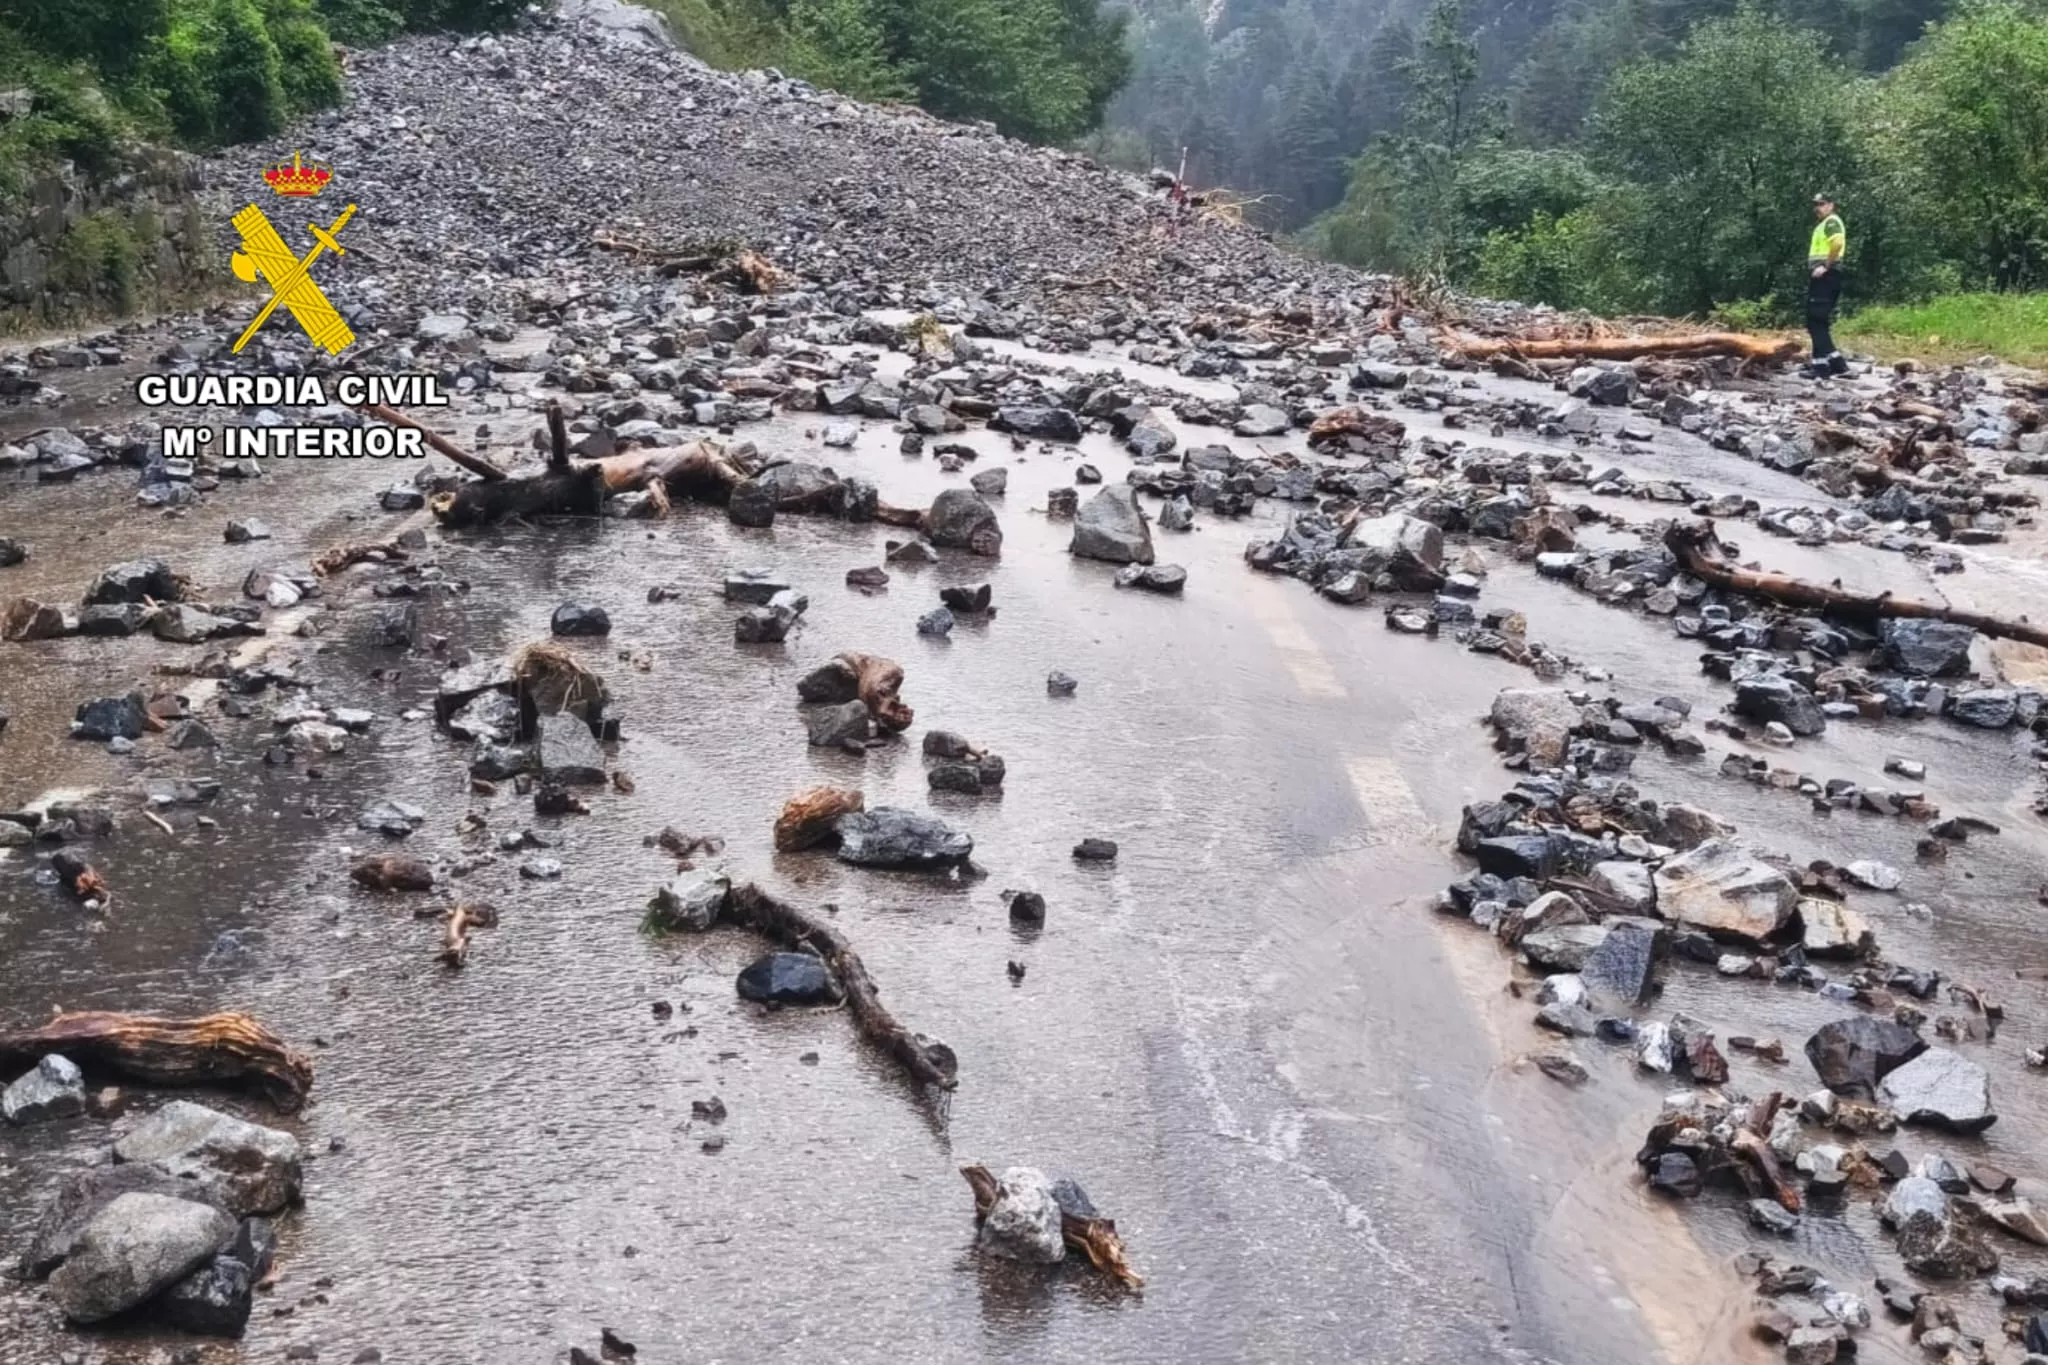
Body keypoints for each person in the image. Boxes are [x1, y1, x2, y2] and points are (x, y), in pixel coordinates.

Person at [1805, 194, 1848, 377]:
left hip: (1826, 275)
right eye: (1816, 205)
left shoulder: (1831, 222)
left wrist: (1825, 266)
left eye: (1822, 204)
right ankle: (1829, 364)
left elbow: (1837, 243)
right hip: (1824, 276)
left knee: (1815, 319)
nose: (1818, 208)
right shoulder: (1824, 224)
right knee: (1818, 320)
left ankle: (1826, 367)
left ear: (1831, 205)